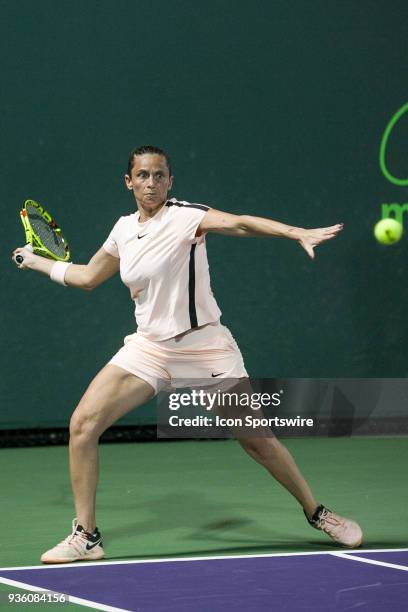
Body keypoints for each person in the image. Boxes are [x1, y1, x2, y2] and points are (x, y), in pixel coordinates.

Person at [13, 145, 362, 563]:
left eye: (159, 175)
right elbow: (88, 276)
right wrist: (36, 263)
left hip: (205, 347)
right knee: (83, 424)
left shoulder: (185, 216)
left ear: (170, 181)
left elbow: (239, 224)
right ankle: (86, 536)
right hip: (149, 348)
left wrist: (294, 232)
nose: (151, 183)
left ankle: (317, 512)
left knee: (258, 442)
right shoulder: (123, 229)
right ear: (129, 181)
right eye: (142, 175)